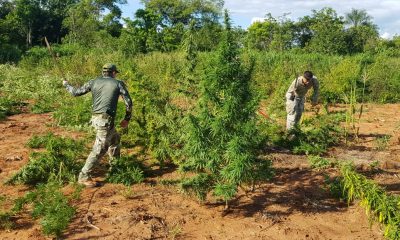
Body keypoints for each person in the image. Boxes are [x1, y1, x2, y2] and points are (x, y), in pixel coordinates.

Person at [63, 63, 133, 187]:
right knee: (100, 148)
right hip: (104, 120)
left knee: (115, 139)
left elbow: (75, 92)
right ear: (113, 73)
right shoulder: (118, 83)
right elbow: (128, 102)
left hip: (97, 119)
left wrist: (66, 85)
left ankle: (115, 168)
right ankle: (83, 176)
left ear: (103, 72)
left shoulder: (93, 82)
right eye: (115, 73)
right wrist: (127, 119)